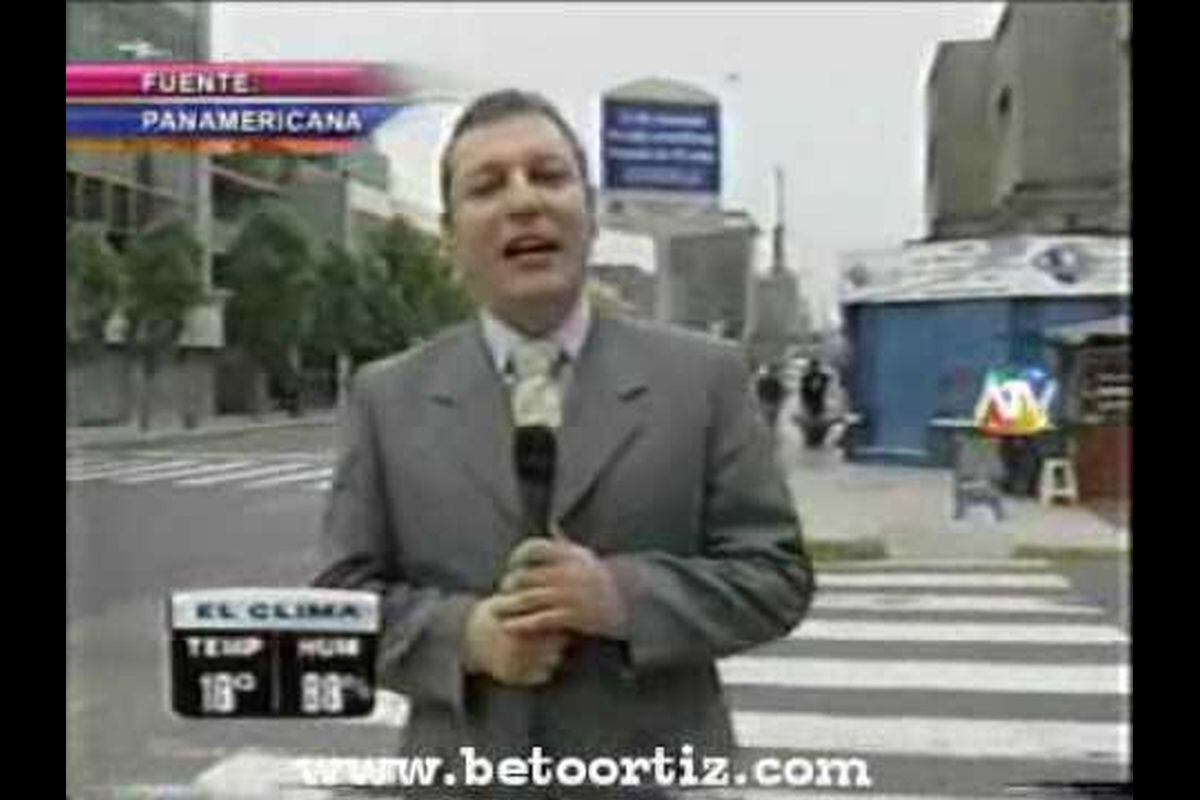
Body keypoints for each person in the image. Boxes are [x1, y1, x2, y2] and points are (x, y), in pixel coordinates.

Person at [313, 88, 814, 797]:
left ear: (589, 210)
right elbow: (341, 603)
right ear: (452, 237)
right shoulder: (387, 397)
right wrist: (465, 637)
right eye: (488, 186)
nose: (524, 202)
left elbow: (776, 577)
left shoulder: (703, 378)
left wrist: (620, 597)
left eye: (548, 176)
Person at [754, 363, 786, 430]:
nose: (772, 374)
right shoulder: (763, 381)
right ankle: (768, 429)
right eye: (772, 372)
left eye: (773, 372)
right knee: (767, 420)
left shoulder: (776, 382)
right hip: (767, 402)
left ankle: (769, 429)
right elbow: (758, 391)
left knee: (770, 420)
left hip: (771, 403)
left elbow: (781, 393)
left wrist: (780, 402)